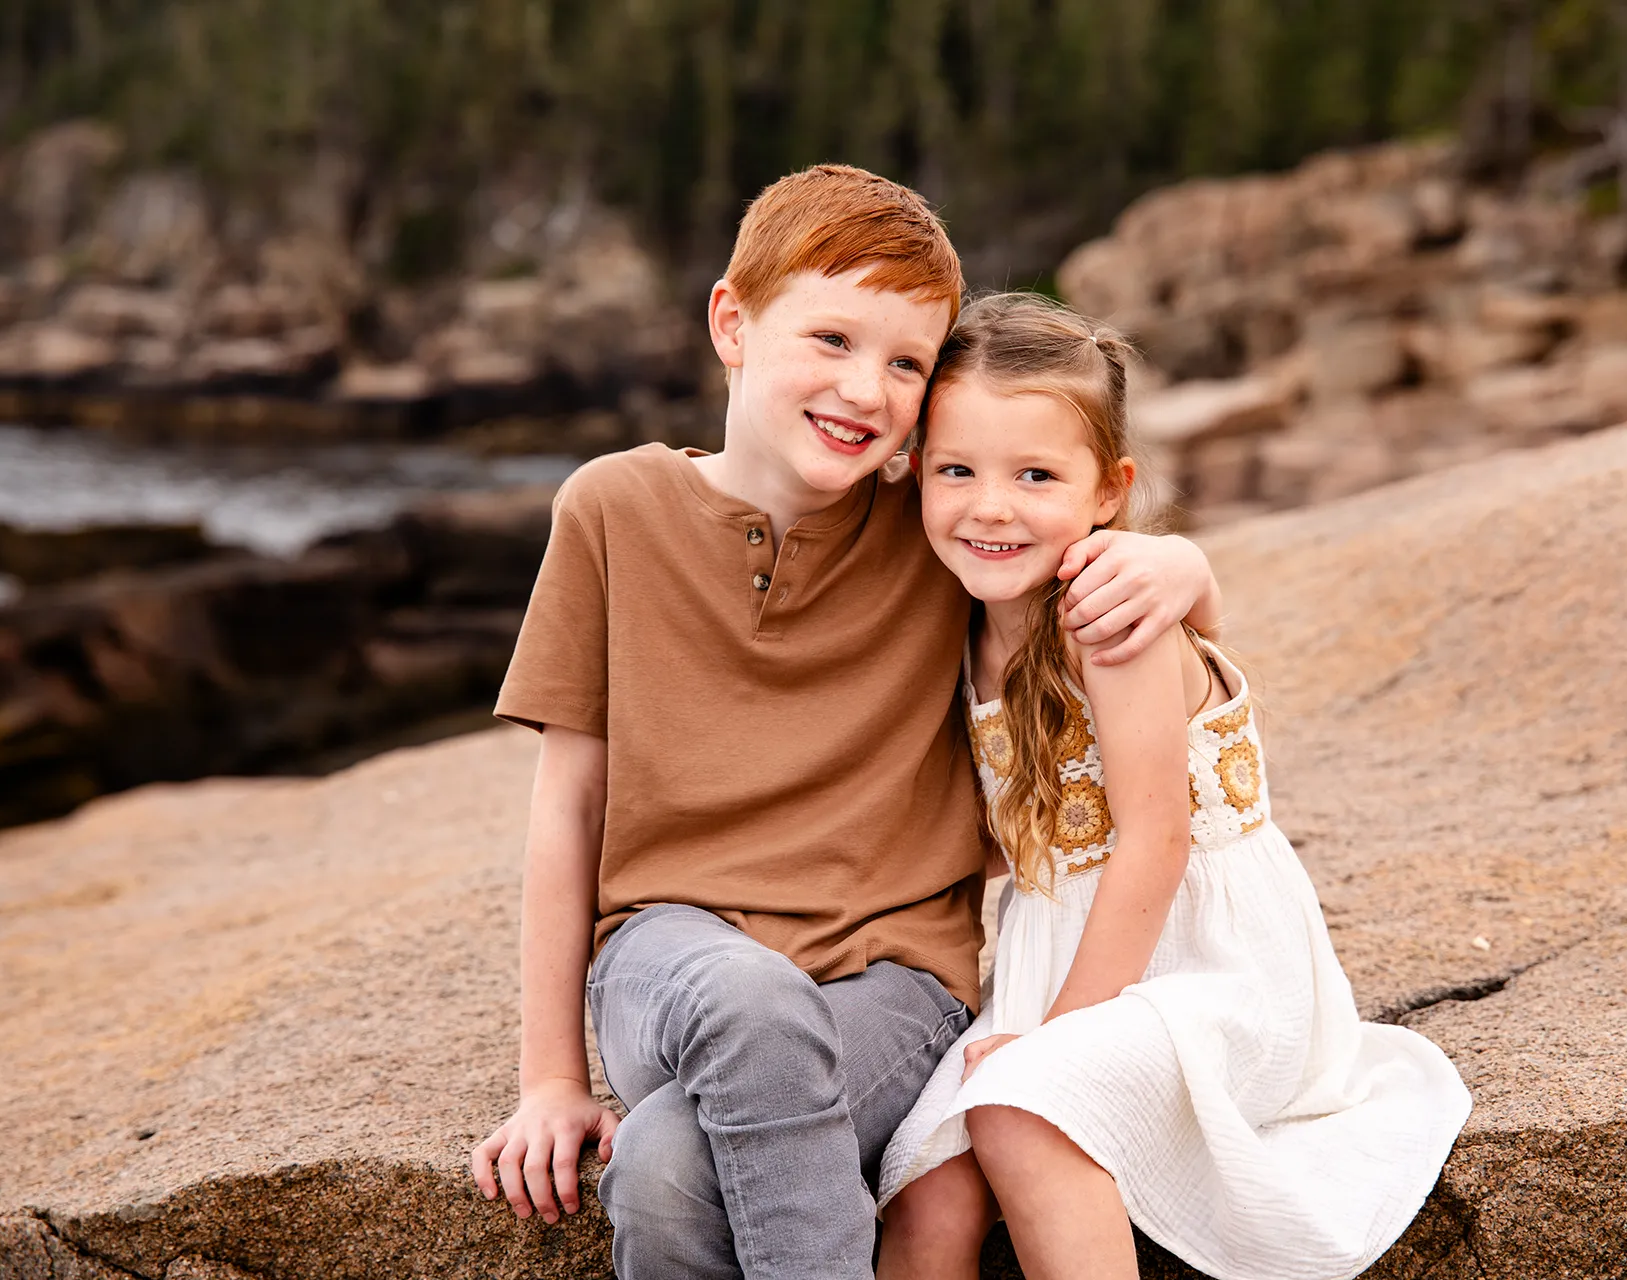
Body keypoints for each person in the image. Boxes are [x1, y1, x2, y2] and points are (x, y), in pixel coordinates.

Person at [466, 166, 1223, 1280]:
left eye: (906, 362)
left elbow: (1084, 547)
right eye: (830, 339)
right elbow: (567, 803)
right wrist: (550, 1078)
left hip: (894, 982)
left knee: (669, 1168)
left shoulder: (939, 522)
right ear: (732, 320)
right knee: (745, 996)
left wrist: (1181, 561)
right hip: (666, 954)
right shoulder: (610, 509)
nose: (865, 390)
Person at [875, 292, 1472, 1280]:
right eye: (957, 470)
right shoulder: (960, 620)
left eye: (1034, 473)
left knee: (1020, 1114)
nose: (990, 504)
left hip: (1206, 968)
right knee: (928, 1184)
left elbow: (1156, 838)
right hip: (1059, 960)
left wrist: (1048, 1035)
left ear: (1109, 489)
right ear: (914, 472)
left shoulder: (1110, 621)